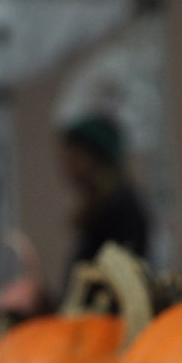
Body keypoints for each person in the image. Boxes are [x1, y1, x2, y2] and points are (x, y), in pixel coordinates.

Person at [59, 114, 149, 287]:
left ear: (96, 160)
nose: (66, 166)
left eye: (74, 156)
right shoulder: (102, 209)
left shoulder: (121, 211)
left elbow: (115, 282)